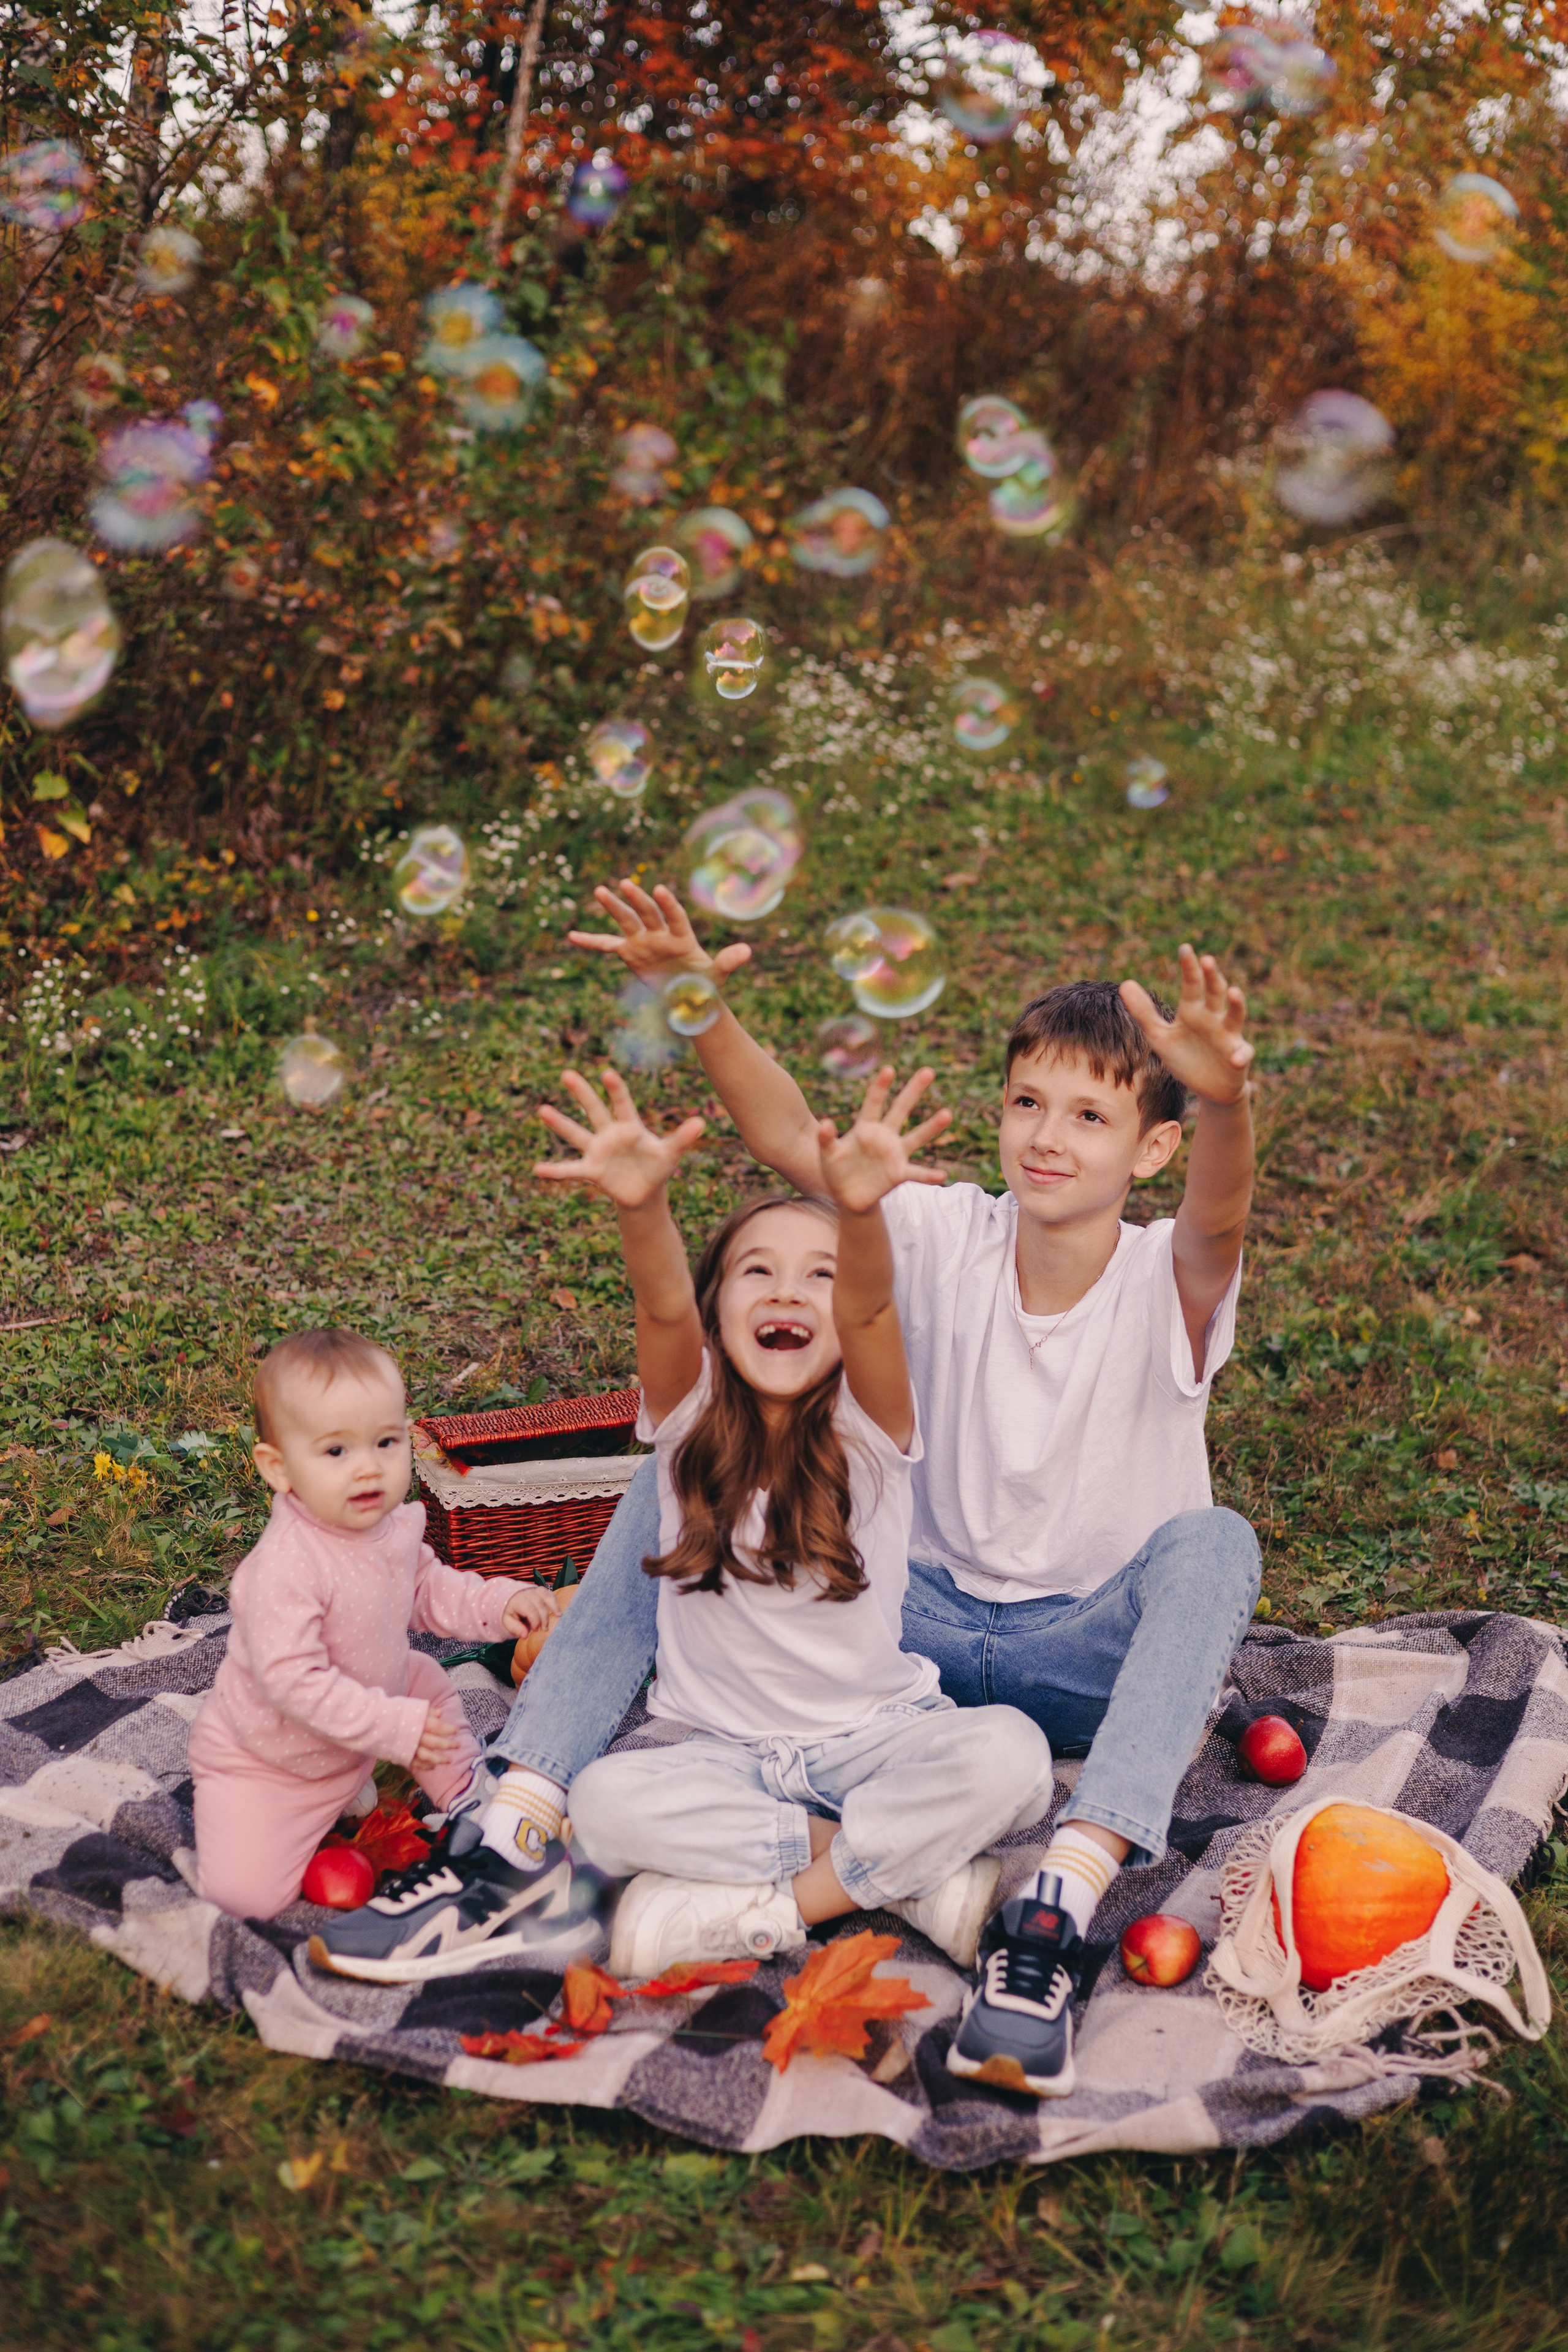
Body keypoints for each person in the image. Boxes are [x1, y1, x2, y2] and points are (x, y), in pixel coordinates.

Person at [318, 883, 1260, 2098]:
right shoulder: (944, 1231)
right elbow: (784, 1137)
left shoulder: (1159, 1278)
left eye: (1090, 1114)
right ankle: (515, 1828)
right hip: (901, 1627)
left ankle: (1055, 1907)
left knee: (1214, 1544)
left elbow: (1221, 1218)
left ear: (1150, 1148)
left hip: (1082, 1649)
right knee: (667, 1480)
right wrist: (695, 997)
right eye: (1027, 1101)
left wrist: (1226, 1097)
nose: (1048, 1135)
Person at [320, 1066, 1056, 1987]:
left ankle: (780, 1908)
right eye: (757, 1273)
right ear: (716, 1316)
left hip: (877, 1741)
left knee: (1016, 1760)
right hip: (721, 1760)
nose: (788, 1293)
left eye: (817, 1277)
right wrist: (643, 1205)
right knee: (604, 1803)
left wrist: (864, 1215)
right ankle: (908, 1885)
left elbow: (870, 1305)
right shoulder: (686, 1422)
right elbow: (663, 1302)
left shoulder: (875, 1426)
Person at [190, 1327, 557, 1926]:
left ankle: (466, 1793)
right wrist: (393, 1729)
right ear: (279, 1469)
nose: (368, 1468)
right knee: (243, 1900)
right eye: (336, 1452)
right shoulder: (285, 1568)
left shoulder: (390, 1529)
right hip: (274, 1760)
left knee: (425, 1678)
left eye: (385, 1442)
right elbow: (294, 1684)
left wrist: (498, 1602)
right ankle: (318, 1817)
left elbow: (429, 1588)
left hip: (370, 1718)